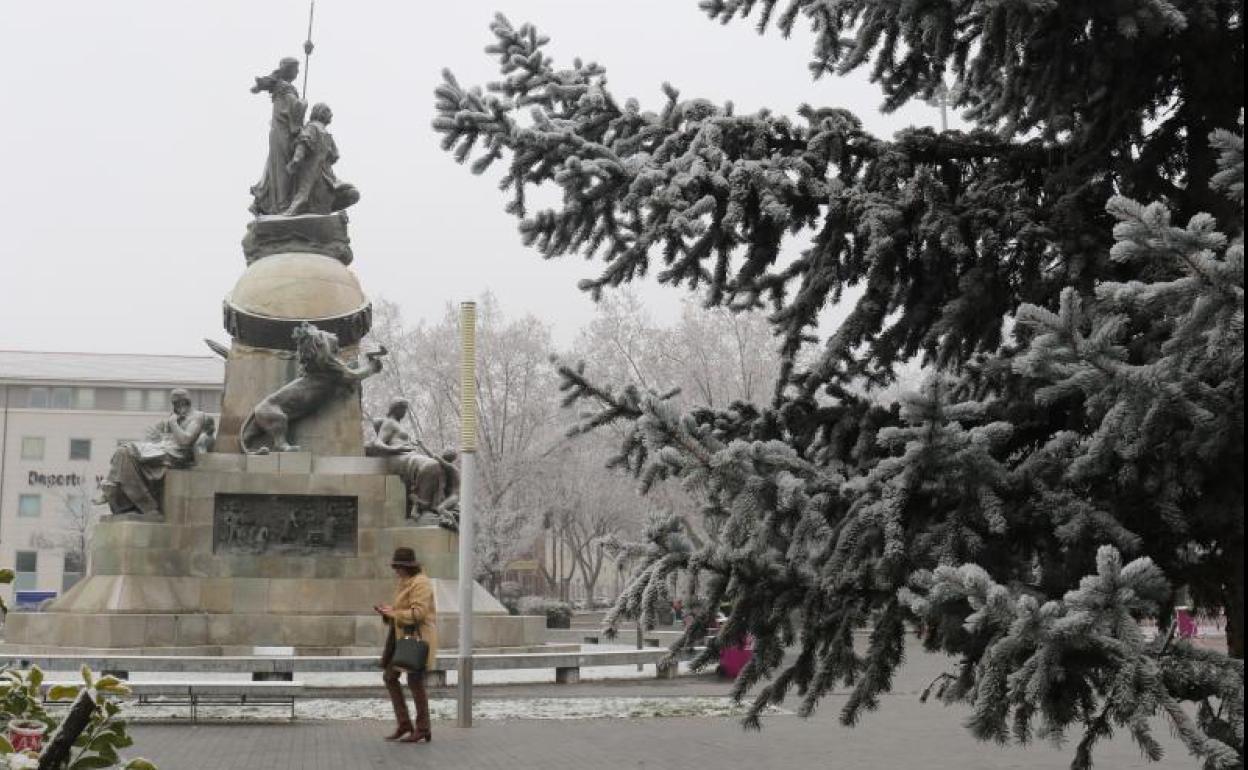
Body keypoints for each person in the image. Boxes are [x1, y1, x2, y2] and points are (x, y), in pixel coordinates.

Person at [94, 389, 207, 517]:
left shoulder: (198, 416)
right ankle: (114, 488)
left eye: (179, 403)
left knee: (129, 452)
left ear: (186, 402)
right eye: (174, 403)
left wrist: (173, 423)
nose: (177, 407)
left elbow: (185, 441)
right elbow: (163, 437)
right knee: (123, 451)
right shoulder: (174, 416)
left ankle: (125, 496)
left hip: (178, 455)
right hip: (163, 448)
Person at [375, 547, 438, 743]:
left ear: (408, 567)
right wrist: (389, 611)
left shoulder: (421, 583)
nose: (396, 571)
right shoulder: (405, 581)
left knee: (415, 682)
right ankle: (404, 724)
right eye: (395, 567)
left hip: (417, 640)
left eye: (398, 567)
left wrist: (394, 613)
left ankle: (423, 727)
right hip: (401, 637)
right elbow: (404, 610)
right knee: (390, 676)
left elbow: (418, 613)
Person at [249, 57, 306, 215]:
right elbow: (295, 106)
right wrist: (304, 103)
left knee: (275, 164)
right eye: (296, 69)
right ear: (289, 70)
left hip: (278, 131)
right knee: (282, 165)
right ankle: (282, 204)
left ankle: (265, 200)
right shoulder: (285, 87)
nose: (298, 72)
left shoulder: (280, 86)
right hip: (284, 132)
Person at [283, 102, 359, 215]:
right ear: (321, 112)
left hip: (327, 176)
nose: (331, 115)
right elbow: (303, 143)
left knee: (351, 194)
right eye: (328, 112)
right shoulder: (312, 127)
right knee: (303, 196)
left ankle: (321, 213)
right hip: (313, 172)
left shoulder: (324, 131)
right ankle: (289, 214)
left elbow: (334, 155)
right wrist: (296, 160)